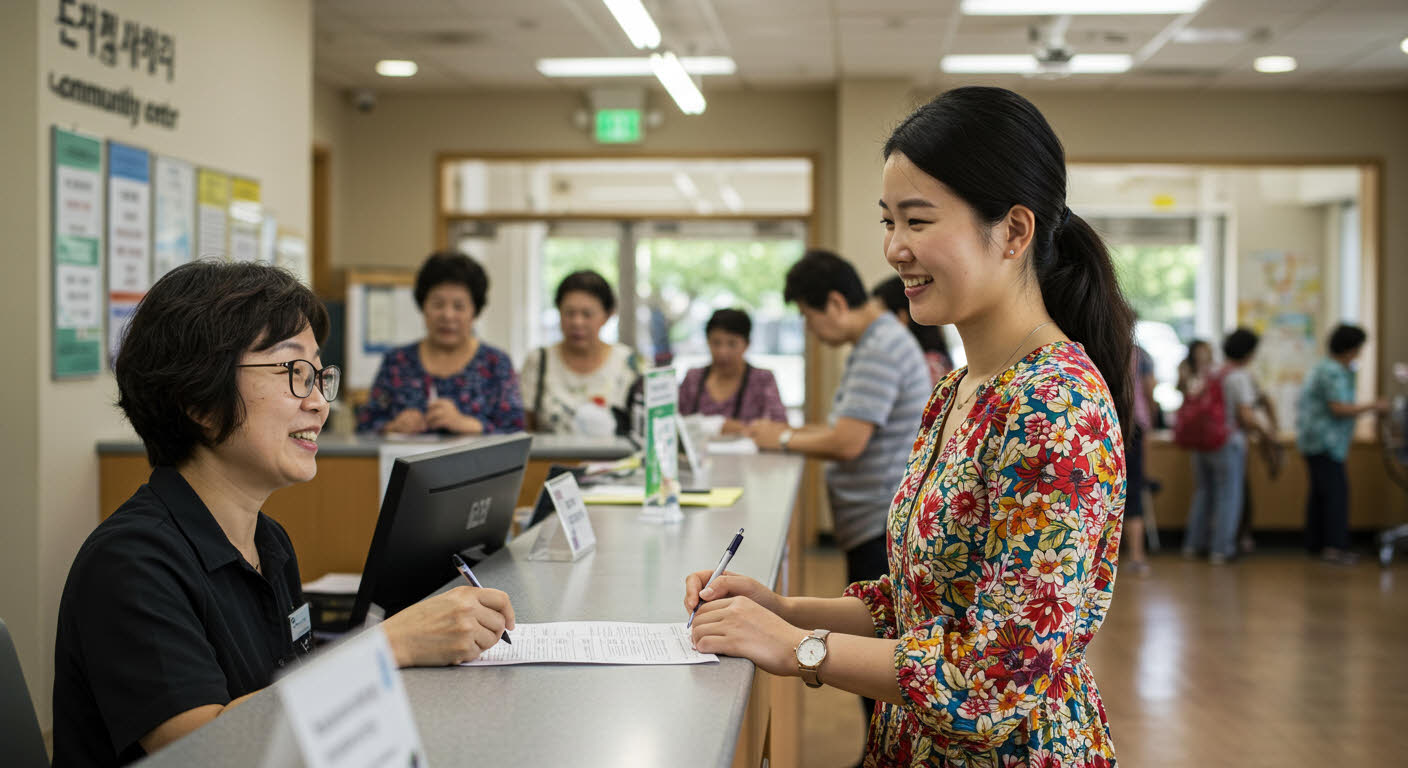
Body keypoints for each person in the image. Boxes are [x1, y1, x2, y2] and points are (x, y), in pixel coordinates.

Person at [697, 87, 1132, 767]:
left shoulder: (1056, 406)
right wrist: (780, 607)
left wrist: (794, 648)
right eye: (889, 221)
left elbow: (992, 686)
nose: (895, 249)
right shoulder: (959, 389)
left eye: (919, 221)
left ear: (1015, 232)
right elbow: (918, 603)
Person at [53, 262, 516, 767]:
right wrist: (389, 645)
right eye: (293, 373)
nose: (319, 402)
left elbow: (288, 702)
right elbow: (205, 752)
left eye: (320, 375)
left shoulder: (268, 542)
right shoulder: (130, 563)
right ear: (199, 401)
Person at [357, 251, 524, 435]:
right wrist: (393, 427)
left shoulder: (496, 363)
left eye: (459, 306)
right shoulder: (396, 361)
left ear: (474, 312)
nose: (447, 315)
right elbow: (364, 427)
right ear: (423, 307)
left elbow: (515, 431)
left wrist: (465, 424)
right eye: (438, 304)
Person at [1297, 323, 1387, 565]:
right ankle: (1334, 547)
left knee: (1320, 495)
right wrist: (1374, 407)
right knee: (1336, 494)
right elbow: (1338, 408)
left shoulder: (1324, 368)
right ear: (1350, 349)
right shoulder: (1333, 372)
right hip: (1326, 442)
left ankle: (1316, 543)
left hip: (1315, 441)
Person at [1183, 328, 1268, 564]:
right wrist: (1264, 433)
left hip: (1202, 442)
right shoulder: (1239, 376)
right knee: (1229, 495)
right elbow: (1246, 415)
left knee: (1203, 493)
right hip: (1227, 442)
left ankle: (1193, 544)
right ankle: (1221, 549)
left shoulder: (1213, 372)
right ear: (1250, 352)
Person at [521, 269, 642, 435]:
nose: (577, 322)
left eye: (587, 314)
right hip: (548, 460)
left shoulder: (629, 363)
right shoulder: (539, 361)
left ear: (607, 315)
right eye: (569, 313)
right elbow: (526, 426)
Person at [677, 308, 788, 434]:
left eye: (732, 344)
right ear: (707, 342)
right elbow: (674, 422)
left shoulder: (762, 379)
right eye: (716, 343)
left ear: (747, 344)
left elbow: (780, 426)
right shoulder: (693, 378)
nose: (723, 352)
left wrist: (740, 428)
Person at [872, 274, 954, 384]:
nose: (873, 325)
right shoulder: (936, 361)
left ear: (901, 318)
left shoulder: (925, 369)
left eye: (878, 316)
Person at [1124, 343, 1156, 575]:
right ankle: (1136, 555)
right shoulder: (1140, 354)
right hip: (1134, 424)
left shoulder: (1093, 346)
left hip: (1101, 420)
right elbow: (1149, 389)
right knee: (1134, 489)